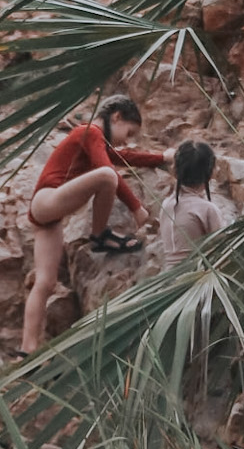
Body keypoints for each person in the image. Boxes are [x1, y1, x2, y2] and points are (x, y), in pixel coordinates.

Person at [21, 96, 169, 355]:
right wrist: (137, 209)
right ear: (117, 117)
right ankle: (100, 236)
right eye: (129, 132)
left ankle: (27, 350)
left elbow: (124, 156)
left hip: (47, 214)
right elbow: (107, 169)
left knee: (45, 281)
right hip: (47, 200)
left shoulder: (94, 138)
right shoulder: (89, 131)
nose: (127, 138)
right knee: (107, 176)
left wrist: (161, 157)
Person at [159, 139, 225, 264]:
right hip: (196, 277)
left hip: (168, 278)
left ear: (175, 170)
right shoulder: (207, 209)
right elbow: (221, 250)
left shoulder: (166, 204)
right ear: (211, 172)